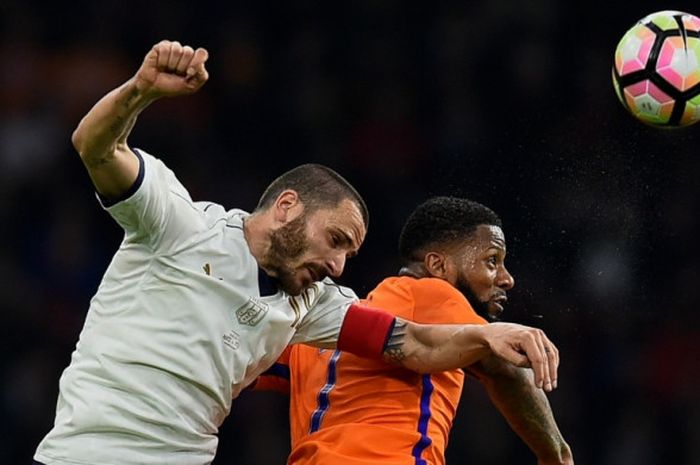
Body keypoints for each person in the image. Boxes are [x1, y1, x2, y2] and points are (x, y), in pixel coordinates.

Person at [33, 41, 560, 465]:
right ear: (287, 207)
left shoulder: (310, 304)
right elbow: (95, 145)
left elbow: (414, 343)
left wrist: (492, 334)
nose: (337, 266)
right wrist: (141, 91)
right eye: (335, 240)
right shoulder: (179, 223)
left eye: (349, 254)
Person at [254, 196, 574, 465]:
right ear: (437, 267)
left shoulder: (312, 332)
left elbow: (237, 360)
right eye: (492, 261)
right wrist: (557, 456)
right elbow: (502, 366)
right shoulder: (427, 293)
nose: (506, 278)